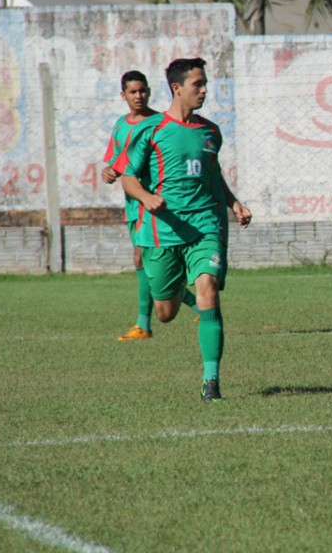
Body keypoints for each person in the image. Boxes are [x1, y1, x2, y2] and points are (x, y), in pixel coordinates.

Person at [120, 58, 251, 402]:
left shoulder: (211, 132)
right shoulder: (150, 131)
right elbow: (128, 176)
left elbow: (213, 174)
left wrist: (233, 203)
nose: (205, 90)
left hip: (204, 225)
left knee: (208, 289)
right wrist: (146, 197)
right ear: (177, 88)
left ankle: (211, 381)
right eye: (198, 84)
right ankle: (175, 287)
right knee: (165, 313)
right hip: (163, 231)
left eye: (205, 83)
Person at [104, 71, 199, 342]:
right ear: (123, 95)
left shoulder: (160, 123)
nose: (138, 96)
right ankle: (197, 306)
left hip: (155, 203)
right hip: (133, 203)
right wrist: (109, 172)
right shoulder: (121, 125)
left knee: (140, 258)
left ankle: (143, 324)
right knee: (147, 262)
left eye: (143, 90)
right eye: (132, 92)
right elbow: (118, 163)